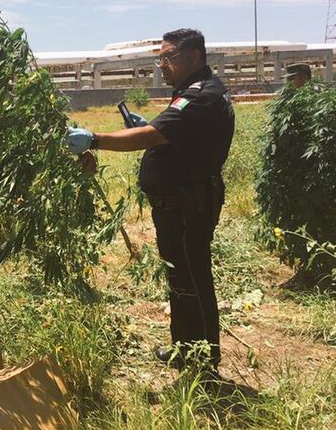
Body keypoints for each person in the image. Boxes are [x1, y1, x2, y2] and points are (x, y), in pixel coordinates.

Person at [66, 28, 234, 373]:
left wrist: (94, 139)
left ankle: (204, 359)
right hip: (178, 203)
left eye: (169, 57)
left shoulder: (201, 96)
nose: (162, 65)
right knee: (179, 278)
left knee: (193, 278)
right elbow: (174, 137)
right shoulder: (189, 94)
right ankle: (185, 348)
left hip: (190, 204)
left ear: (195, 56)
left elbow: (152, 135)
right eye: (160, 58)